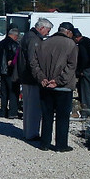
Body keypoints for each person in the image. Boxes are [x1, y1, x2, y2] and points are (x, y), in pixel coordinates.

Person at [31, 21, 78, 152]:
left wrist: (42, 78)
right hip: (63, 87)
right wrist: (58, 81)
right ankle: (61, 145)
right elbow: (71, 66)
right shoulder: (71, 44)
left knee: (47, 116)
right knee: (62, 117)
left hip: (45, 86)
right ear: (68, 32)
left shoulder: (43, 43)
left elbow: (34, 64)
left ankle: (44, 143)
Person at [16, 18, 53, 141]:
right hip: (31, 78)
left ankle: (28, 131)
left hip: (26, 76)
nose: (48, 34)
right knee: (33, 107)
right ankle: (32, 133)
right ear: (41, 28)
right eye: (48, 30)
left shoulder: (27, 36)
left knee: (27, 106)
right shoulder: (34, 39)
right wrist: (40, 76)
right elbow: (33, 60)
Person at [0, 27, 20, 118]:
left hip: (2, 71)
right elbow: (16, 58)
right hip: (11, 71)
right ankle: (12, 112)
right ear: (14, 35)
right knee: (13, 92)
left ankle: (3, 111)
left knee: (4, 92)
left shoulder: (0, 43)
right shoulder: (14, 44)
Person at [73, 28, 90, 111]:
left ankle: (88, 108)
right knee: (86, 87)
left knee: (85, 89)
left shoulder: (82, 44)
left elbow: (84, 58)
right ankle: (87, 106)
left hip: (87, 68)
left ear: (76, 37)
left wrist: (80, 70)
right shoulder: (88, 40)